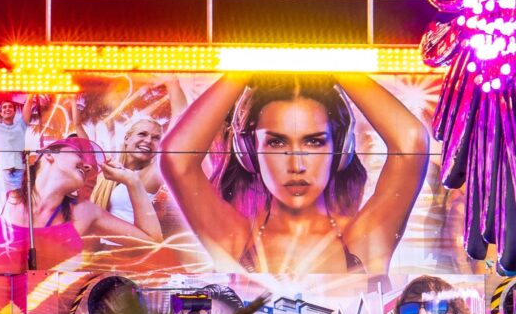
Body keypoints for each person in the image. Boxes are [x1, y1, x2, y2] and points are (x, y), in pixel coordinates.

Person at [159, 73, 428, 282]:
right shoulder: (238, 240)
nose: (296, 165)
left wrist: (338, 64)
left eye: (314, 142)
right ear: (250, 151)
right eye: (277, 143)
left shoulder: (360, 240)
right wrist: (242, 70)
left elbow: (411, 140)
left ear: (340, 149)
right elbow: (176, 158)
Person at [0, 134, 160, 273]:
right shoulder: (5, 201)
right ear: (50, 154)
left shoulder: (84, 212)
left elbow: (152, 243)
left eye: (90, 165)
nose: (87, 166)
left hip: (55, 312)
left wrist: (133, 182)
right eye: (79, 154)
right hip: (3, 311)